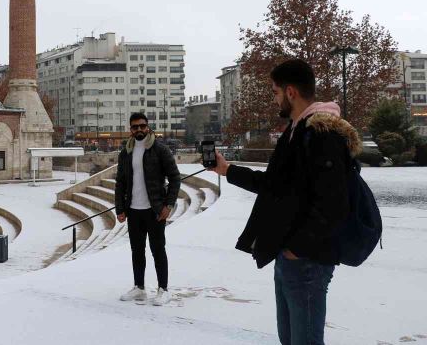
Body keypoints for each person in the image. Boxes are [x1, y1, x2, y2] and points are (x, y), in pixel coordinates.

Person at [208, 59, 357, 345]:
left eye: (275, 92)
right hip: (289, 255)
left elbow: (334, 205)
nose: (273, 98)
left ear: (290, 92)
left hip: (307, 260)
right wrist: (228, 170)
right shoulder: (296, 131)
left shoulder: (321, 134)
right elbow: (274, 185)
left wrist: (297, 249)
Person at [115, 112, 181, 306]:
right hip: (134, 210)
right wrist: (120, 207)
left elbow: (175, 178)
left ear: (148, 127)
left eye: (142, 126)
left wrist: (168, 205)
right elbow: (120, 182)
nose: (139, 129)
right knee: (137, 250)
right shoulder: (126, 152)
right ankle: (139, 288)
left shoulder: (159, 149)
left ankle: (163, 289)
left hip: (155, 210)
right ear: (130, 130)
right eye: (135, 127)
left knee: (158, 249)